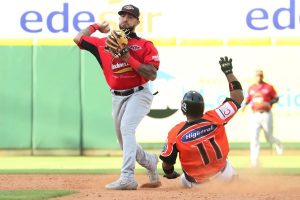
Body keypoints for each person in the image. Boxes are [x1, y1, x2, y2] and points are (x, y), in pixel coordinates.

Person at [73, 4, 161, 190]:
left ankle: (127, 177)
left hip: (139, 93)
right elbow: (78, 38)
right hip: (117, 97)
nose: (125, 19)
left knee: (127, 129)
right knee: (123, 140)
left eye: (130, 16)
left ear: (137, 21)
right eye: (122, 15)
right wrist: (96, 26)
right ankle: (150, 161)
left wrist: (128, 57)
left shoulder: (145, 45)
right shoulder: (103, 43)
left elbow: (151, 74)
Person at [159, 57, 244, 188]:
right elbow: (238, 96)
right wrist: (228, 72)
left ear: (184, 108)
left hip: (199, 184)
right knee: (227, 167)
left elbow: (167, 165)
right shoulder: (216, 117)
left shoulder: (175, 132)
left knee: (180, 180)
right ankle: (234, 180)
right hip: (224, 175)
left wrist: (169, 173)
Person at [242, 69, 283, 167]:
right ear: (254, 77)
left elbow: (276, 98)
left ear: (262, 76)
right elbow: (248, 99)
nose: (258, 77)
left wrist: (269, 102)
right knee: (254, 138)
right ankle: (254, 162)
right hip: (254, 115)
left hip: (266, 114)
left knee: (268, 137)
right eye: (257, 75)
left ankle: (278, 143)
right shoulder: (251, 88)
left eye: (260, 75)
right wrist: (244, 106)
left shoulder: (268, 87)